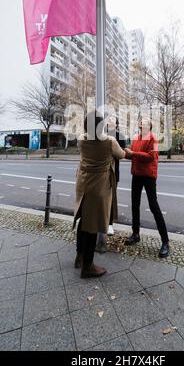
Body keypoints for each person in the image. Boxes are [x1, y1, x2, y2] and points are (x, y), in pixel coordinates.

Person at [73, 111, 125, 278]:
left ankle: (79, 256)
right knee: (93, 225)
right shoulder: (109, 141)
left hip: (83, 184)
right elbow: (121, 155)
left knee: (82, 219)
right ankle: (88, 266)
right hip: (99, 187)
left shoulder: (81, 139)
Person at [124, 117, 170, 258]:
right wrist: (122, 153)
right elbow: (131, 156)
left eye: (145, 122)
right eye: (141, 121)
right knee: (135, 205)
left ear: (149, 126)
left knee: (153, 206)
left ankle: (165, 242)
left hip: (149, 176)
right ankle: (135, 234)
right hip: (136, 175)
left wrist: (133, 154)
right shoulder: (136, 138)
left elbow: (151, 156)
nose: (141, 123)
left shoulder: (153, 139)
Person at [106, 115, 126, 236]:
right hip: (100, 172)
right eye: (109, 118)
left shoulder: (120, 136)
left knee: (111, 198)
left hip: (113, 170)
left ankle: (109, 224)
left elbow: (122, 153)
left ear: (117, 123)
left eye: (113, 119)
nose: (110, 119)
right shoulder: (101, 133)